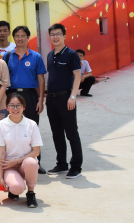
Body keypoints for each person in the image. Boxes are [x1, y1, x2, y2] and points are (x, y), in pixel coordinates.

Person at [4, 25, 47, 174]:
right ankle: (13, 162)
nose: (20, 38)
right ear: (13, 38)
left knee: (32, 129)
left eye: (23, 36)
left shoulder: (36, 56)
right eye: (17, 36)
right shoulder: (7, 56)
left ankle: (36, 162)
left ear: (28, 38)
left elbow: (41, 79)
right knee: (12, 128)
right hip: (12, 95)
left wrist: (40, 100)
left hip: (30, 95)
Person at [45, 23, 83, 179]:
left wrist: (73, 97)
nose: (55, 37)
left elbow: (78, 76)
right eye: (52, 34)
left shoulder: (71, 54)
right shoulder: (49, 55)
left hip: (66, 98)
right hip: (51, 99)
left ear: (64, 36)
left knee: (71, 133)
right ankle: (61, 164)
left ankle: (76, 167)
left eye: (58, 34)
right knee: (57, 133)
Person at [0, 93, 42, 208]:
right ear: (7, 108)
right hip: (9, 166)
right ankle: (13, 188)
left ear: (24, 107)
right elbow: (1, 153)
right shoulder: (0, 125)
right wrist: (0, 177)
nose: (15, 108)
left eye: (18, 105)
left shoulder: (32, 124)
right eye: (12, 105)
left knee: (31, 162)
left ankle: (31, 193)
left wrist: (16, 161)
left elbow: (36, 152)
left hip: (25, 164)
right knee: (17, 188)